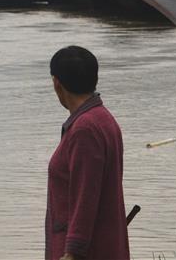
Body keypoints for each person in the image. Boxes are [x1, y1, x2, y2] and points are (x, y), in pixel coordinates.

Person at [45, 46, 129, 260]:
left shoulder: (85, 129)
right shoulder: (102, 118)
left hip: (87, 252)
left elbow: (86, 195)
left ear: (57, 84)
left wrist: (73, 251)